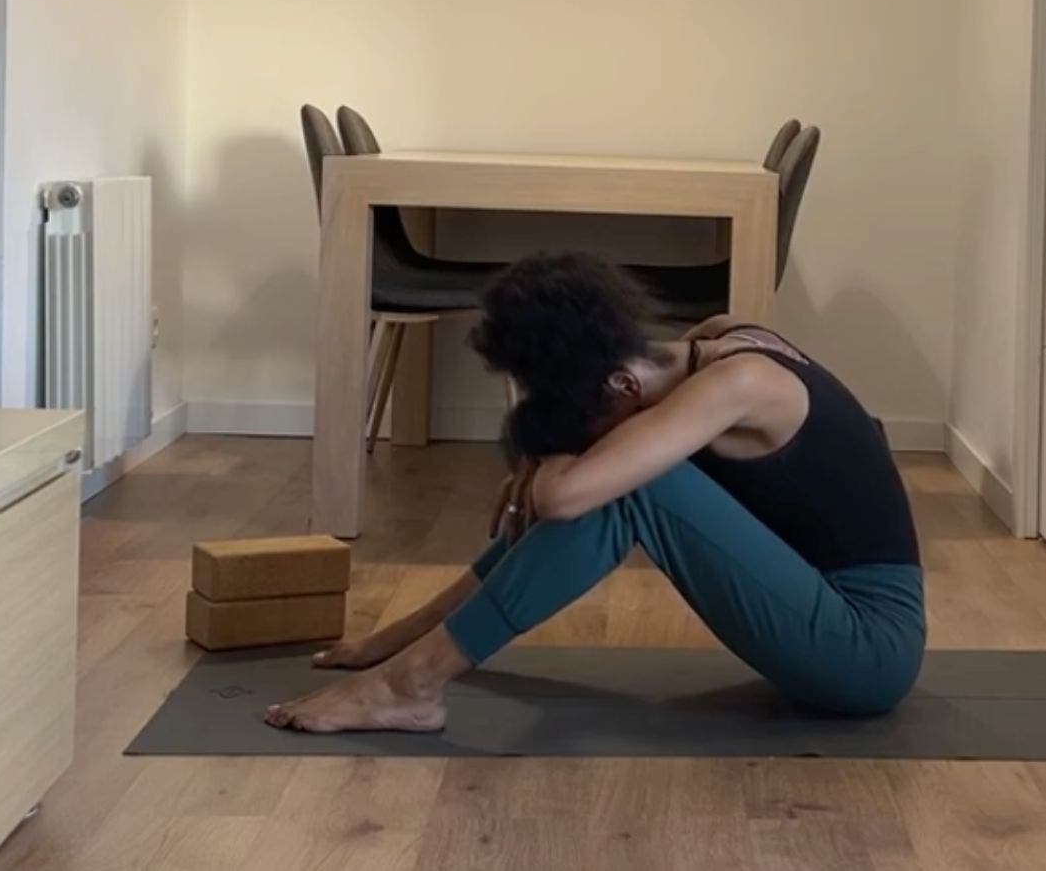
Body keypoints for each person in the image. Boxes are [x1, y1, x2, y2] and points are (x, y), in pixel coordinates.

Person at [264, 251, 926, 733]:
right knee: (606, 482)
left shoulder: (740, 385)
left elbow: (559, 499)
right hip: (824, 612)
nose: (591, 439)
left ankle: (413, 684)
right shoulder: (714, 338)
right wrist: (554, 450)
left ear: (619, 386)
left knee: (625, 485)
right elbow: (561, 491)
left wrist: (548, 458)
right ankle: (408, 654)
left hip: (864, 652)